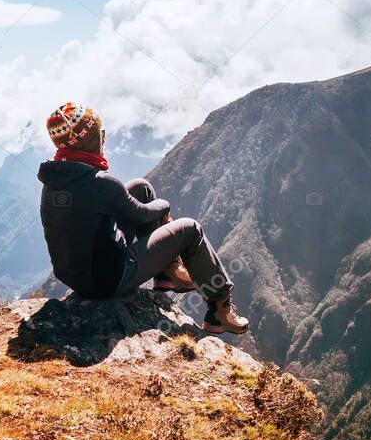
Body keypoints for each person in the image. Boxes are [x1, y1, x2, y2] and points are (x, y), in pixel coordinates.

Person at [37, 101, 248, 335]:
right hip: (107, 281)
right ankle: (220, 310)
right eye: (100, 134)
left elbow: (125, 206)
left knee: (141, 187)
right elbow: (141, 213)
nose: (104, 139)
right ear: (89, 140)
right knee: (191, 229)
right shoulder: (99, 183)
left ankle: (167, 275)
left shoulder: (56, 181)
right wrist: (165, 206)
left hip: (79, 274)